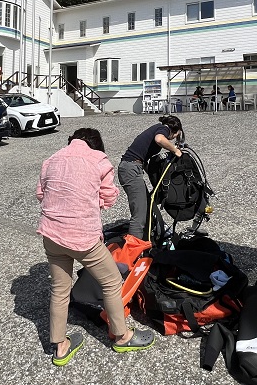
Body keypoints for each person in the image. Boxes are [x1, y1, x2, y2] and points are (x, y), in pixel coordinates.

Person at [37, 128, 156, 366]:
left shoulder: (51, 160)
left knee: (60, 289)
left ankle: (60, 347)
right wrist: (92, 202)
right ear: (96, 145)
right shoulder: (98, 160)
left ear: (72, 141)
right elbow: (110, 197)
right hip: (82, 237)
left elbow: (41, 193)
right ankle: (122, 337)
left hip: (51, 234)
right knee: (111, 281)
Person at [118, 115, 184, 240]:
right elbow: (159, 139)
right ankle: (134, 250)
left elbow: (145, 159)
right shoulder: (163, 129)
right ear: (174, 130)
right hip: (130, 169)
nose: (173, 139)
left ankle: (148, 238)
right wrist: (175, 150)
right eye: (175, 136)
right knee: (139, 214)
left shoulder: (157, 128)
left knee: (148, 204)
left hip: (134, 168)